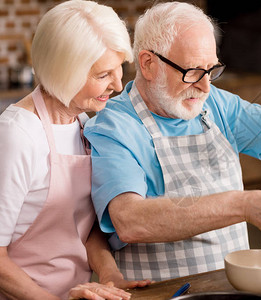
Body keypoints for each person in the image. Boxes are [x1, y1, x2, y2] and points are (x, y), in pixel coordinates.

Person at [83, 1, 261, 282]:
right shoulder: (114, 125)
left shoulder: (215, 104)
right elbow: (130, 221)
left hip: (230, 287)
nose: (206, 86)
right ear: (148, 64)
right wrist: (242, 205)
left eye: (211, 70)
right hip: (161, 292)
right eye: (193, 72)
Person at [0, 1, 152, 299]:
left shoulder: (83, 124)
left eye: (119, 70)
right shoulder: (17, 135)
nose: (119, 85)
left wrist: (111, 276)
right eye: (103, 75)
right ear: (64, 71)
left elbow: (82, 227)